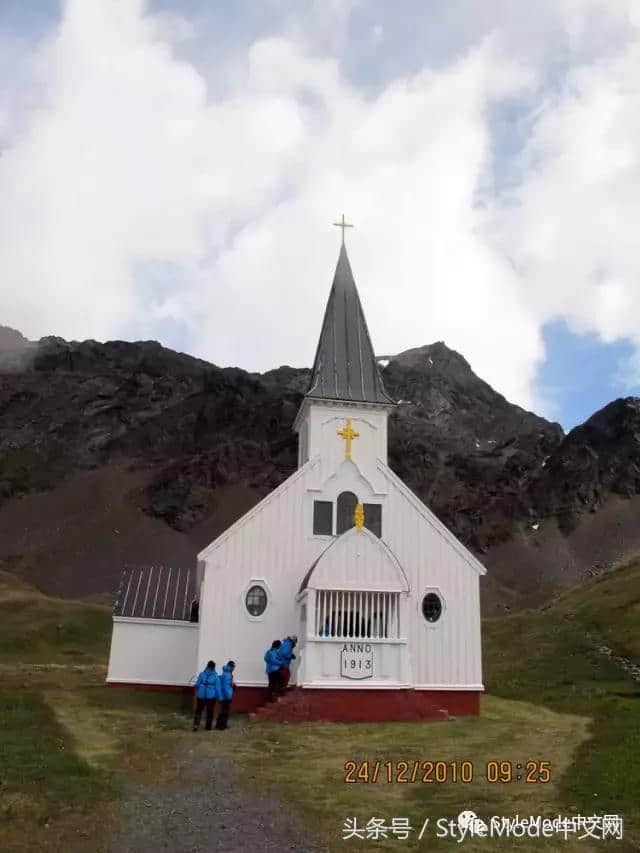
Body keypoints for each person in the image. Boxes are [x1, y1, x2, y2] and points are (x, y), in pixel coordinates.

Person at [193, 660, 218, 731]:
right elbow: (217, 688)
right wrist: (219, 697)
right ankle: (208, 727)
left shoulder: (201, 674)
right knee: (210, 712)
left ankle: (196, 725)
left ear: (207, 666)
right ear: (214, 667)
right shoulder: (215, 676)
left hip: (201, 695)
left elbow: (197, 684)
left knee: (198, 711)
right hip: (211, 696)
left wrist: (199, 690)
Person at [215, 660, 235, 730]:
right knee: (225, 711)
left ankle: (219, 725)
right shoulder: (227, 675)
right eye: (233, 666)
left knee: (223, 711)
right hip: (226, 696)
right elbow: (226, 687)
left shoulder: (226, 673)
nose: (234, 668)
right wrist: (229, 696)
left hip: (223, 695)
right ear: (231, 666)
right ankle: (222, 726)